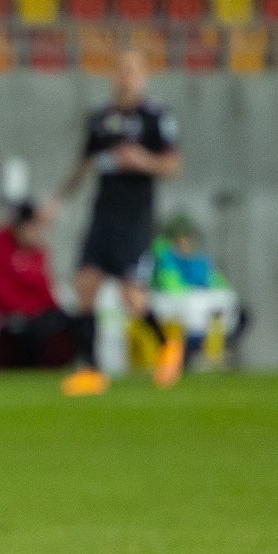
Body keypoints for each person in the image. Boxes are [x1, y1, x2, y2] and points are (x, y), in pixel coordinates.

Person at [54, 47, 183, 396]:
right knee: (85, 285)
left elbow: (173, 165)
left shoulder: (155, 118)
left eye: (131, 71)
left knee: (131, 296)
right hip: (102, 216)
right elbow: (83, 165)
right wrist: (57, 201)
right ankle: (91, 369)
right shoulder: (101, 119)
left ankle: (168, 345)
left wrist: (143, 161)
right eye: (120, 70)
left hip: (134, 219)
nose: (125, 78)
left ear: (143, 77)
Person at [0, 203, 70, 368]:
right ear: (20, 226)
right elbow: (1, 296)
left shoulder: (37, 254)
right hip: (0, 320)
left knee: (62, 325)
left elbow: (45, 293)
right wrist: (34, 311)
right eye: (32, 226)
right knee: (28, 331)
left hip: (31, 316)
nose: (37, 232)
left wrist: (55, 312)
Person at [148, 211, 244, 378]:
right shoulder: (165, 257)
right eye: (182, 238)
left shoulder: (200, 259)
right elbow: (170, 286)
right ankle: (175, 357)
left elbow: (217, 283)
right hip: (170, 304)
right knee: (186, 313)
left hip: (198, 304)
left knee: (226, 309)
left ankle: (212, 356)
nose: (186, 242)